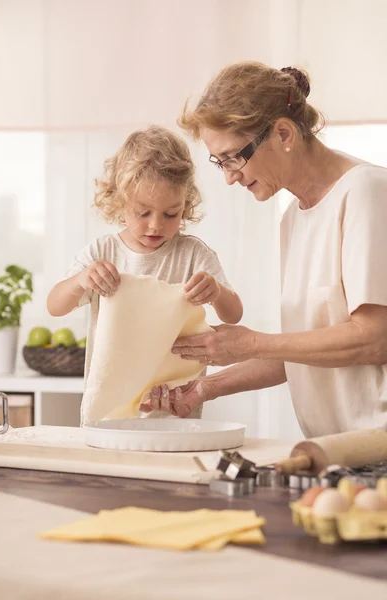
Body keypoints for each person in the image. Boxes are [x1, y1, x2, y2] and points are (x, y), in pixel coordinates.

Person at [140, 62, 387, 437]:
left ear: (284, 133)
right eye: (219, 162)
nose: (229, 176)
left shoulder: (366, 193)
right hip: (333, 450)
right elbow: (303, 353)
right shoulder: (293, 219)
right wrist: (203, 388)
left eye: (233, 157)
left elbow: (375, 338)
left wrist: (252, 342)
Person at [47, 125, 243, 418]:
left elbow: (233, 315)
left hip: (178, 411)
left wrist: (216, 292)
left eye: (170, 214)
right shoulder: (103, 253)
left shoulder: (193, 254)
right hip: (111, 411)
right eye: (143, 212)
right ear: (119, 199)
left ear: (185, 204)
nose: (156, 225)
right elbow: (55, 306)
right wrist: (80, 280)